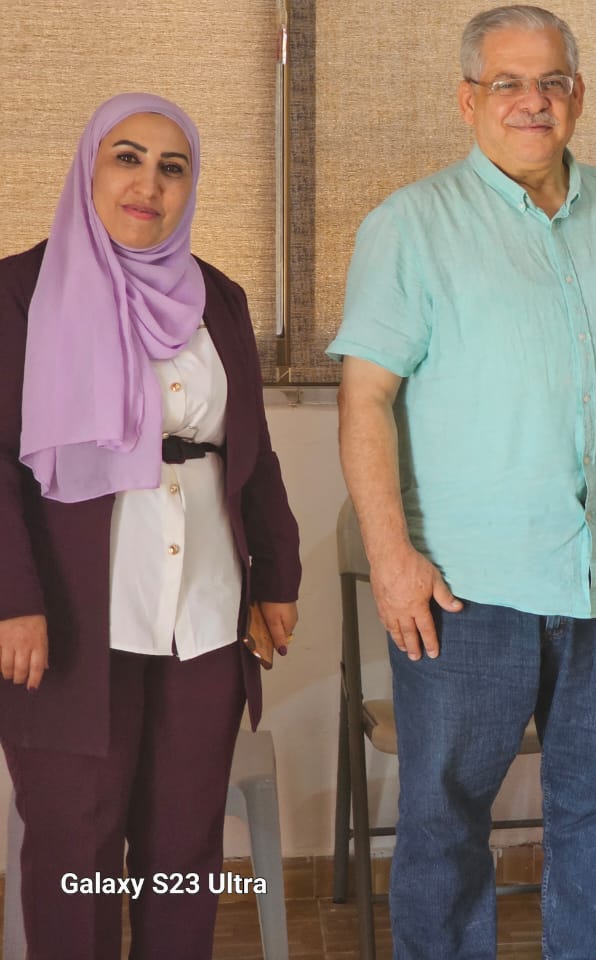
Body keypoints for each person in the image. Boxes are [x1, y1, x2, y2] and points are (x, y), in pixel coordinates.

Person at [327, 5, 596, 957]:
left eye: (552, 82)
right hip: (465, 589)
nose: (533, 101)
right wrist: (393, 561)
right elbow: (365, 398)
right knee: (445, 819)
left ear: (579, 95)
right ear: (468, 100)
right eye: (508, 82)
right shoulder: (410, 225)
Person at [0, 92, 301, 958]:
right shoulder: (19, 292)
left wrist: (277, 575)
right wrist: (12, 600)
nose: (149, 184)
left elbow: (253, 452)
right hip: (69, 620)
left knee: (184, 852)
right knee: (76, 848)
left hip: (203, 611)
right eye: (126, 158)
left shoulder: (221, 298)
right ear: (88, 169)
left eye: (173, 167)